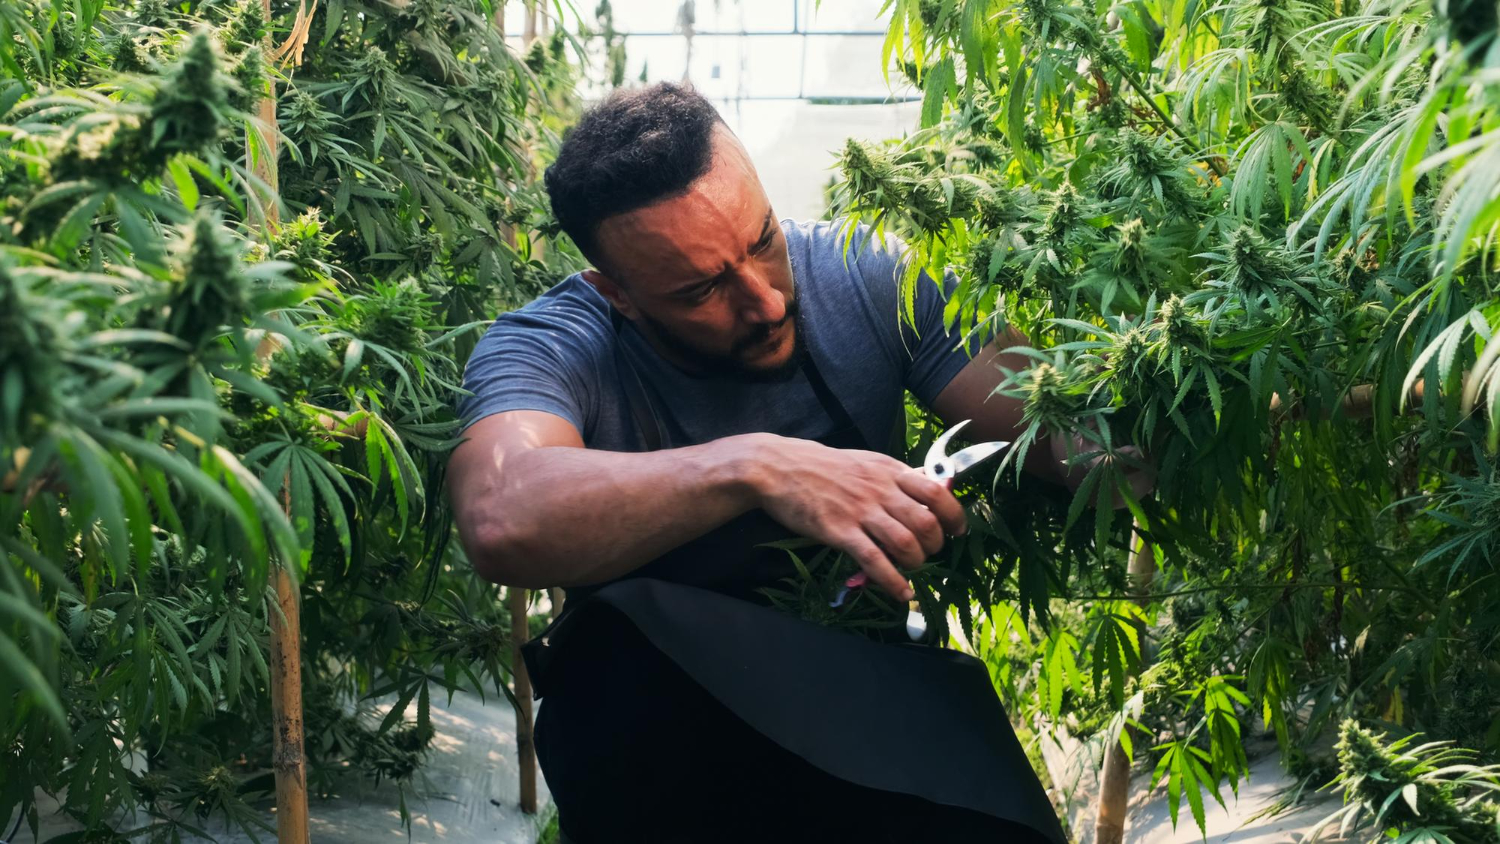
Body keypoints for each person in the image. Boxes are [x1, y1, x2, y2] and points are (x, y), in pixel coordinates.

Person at [449, 83, 1142, 843]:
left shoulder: (867, 277)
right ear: (617, 293)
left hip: (863, 704)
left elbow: (1076, 444)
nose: (767, 301)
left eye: (762, 240)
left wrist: (1232, 392)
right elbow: (503, 512)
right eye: (704, 289)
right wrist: (758, 467)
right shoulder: (552, 345)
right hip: (661, 742)